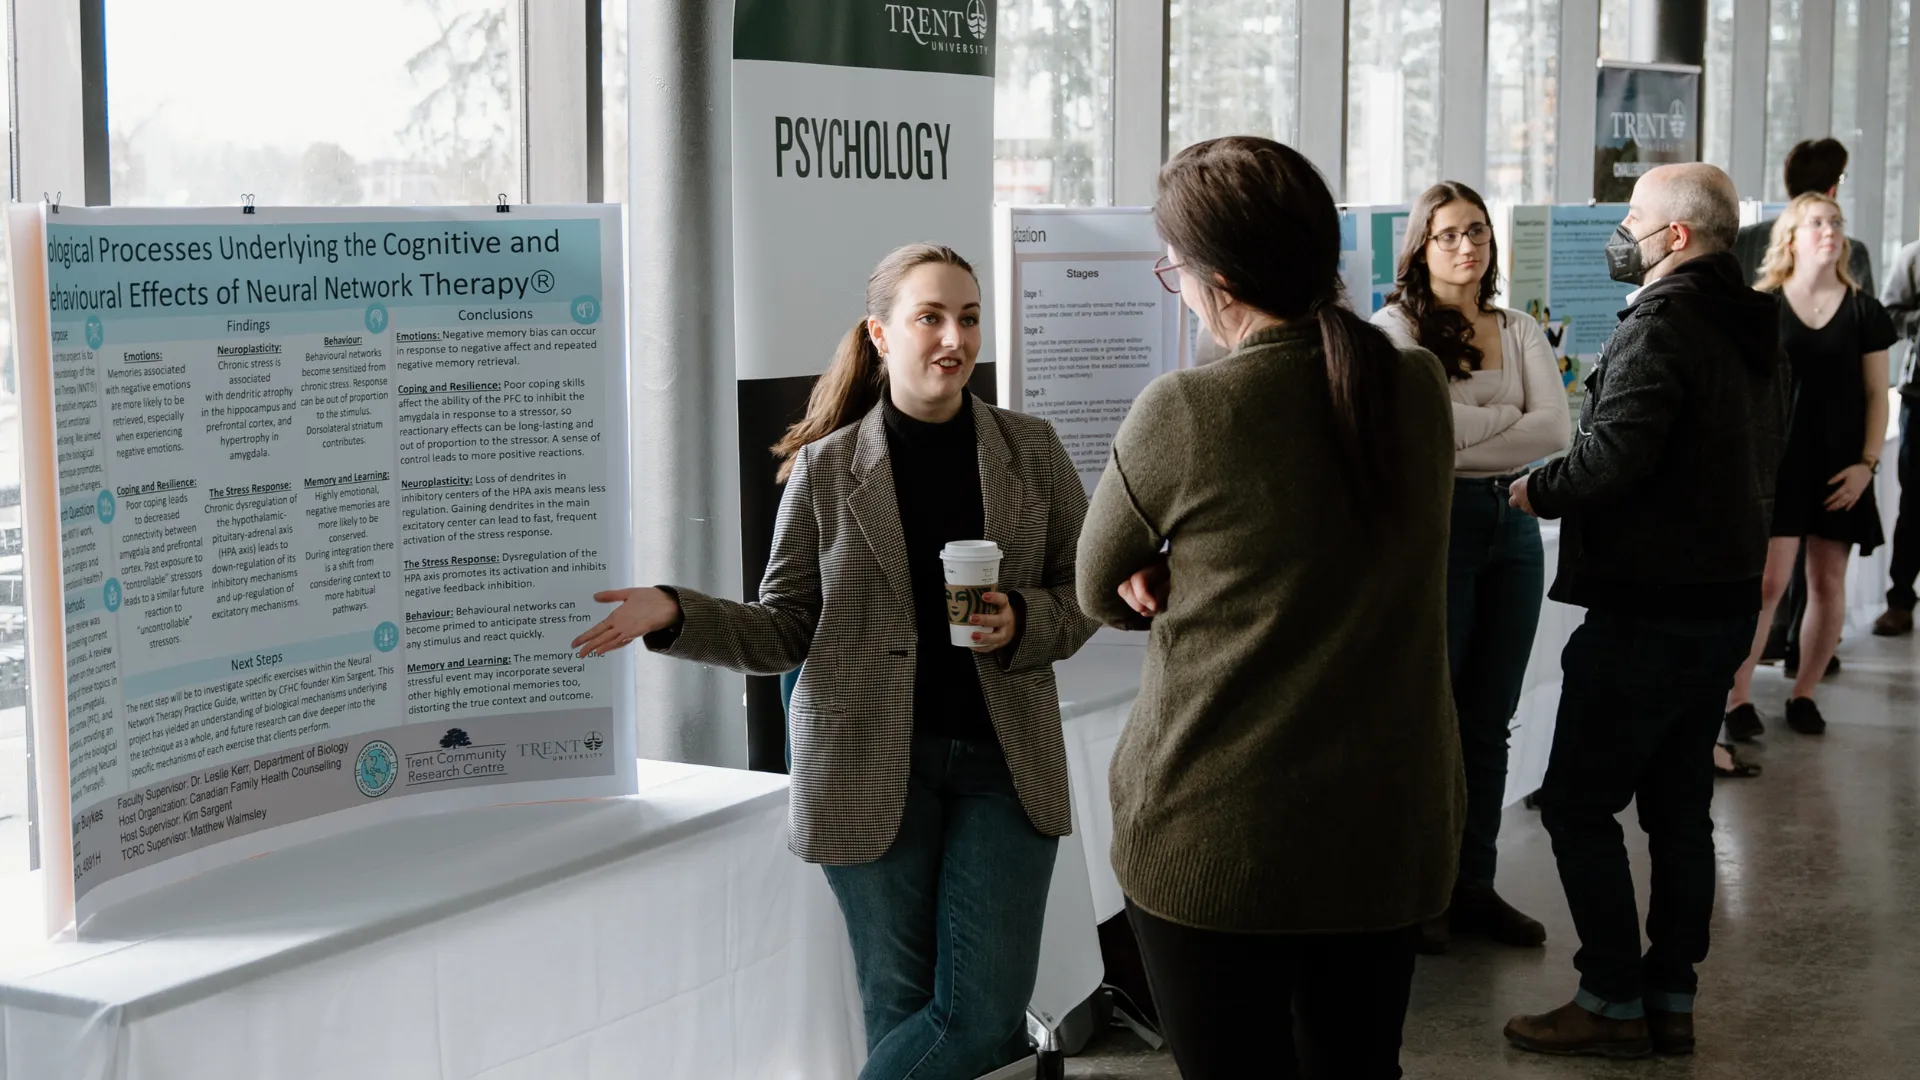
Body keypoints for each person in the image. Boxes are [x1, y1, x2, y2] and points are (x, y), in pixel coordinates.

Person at [570, 243, 1099, 1080]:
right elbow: (782, 631)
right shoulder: (824, 472)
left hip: (1005, 762)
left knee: (984, 1016)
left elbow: (1085, 589)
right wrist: (676, 613)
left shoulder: (1030, 451)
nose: (954, 337)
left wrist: (1026, 618)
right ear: (880, 334)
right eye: (929, 317)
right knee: (898, 1012)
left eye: (967, 317)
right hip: (866, 766)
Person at [1077, 136, 1463, 1080]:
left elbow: (1095, 585)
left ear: (1215, 281)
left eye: (1175, 270)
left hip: (1221, 833)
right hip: (1388, 822)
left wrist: (1164, 575)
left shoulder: (1187, 410)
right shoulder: (1414, 387)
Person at [1503, 163, 1789, 1058]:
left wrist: (1531, 490)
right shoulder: (1754, 323)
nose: (1617, 230)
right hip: (1720, 604)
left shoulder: (1663, 323)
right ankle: (1671, 998)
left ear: (1676, 237)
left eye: (1631, 216)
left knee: (1581, 807)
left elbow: (1613, 456)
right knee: (1678, 809)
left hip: (1646, 610)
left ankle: (1609, 998)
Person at [1373, 181, 1570, 955]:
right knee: (1437, 721)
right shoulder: (1394, 330)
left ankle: (1474, 886)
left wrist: (1465, 435)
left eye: (1479, 232)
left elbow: (1553, 429)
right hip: (1438, 531)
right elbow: (1418, 431)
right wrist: (1506, 422)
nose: (1468, 246)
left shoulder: (1518, 328)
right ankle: (1422, 892)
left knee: (1491, 721)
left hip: (1515, 526)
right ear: (1421, 245)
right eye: (1450, 233)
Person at [1723, 193, 1895, 739]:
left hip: (1842, 466)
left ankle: (1804, 694)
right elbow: (1739, 394)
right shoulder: (1762, 305)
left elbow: (1876, 395)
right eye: (1817, 222)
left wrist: (1867, 464)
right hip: (1777, 464)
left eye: (1836, 222)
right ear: (1790, 238)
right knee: (1769, 583)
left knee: (1827, 580)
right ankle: (1737, 698)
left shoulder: (1865, 310)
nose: (1830, 231)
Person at [1733, 138, 1876, 680]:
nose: (1829, 237)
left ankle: (1793, 675)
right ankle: (1770, 671)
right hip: (1783, 441)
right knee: (1777, 577)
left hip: (1816, 442)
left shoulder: (1744, 241)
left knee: (1812, 576)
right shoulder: (1849, 251)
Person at [1873, 237, 1920, 637]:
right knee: (1916, 501)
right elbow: (1888, 316)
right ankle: (1900, 600)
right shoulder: (1914, 255)